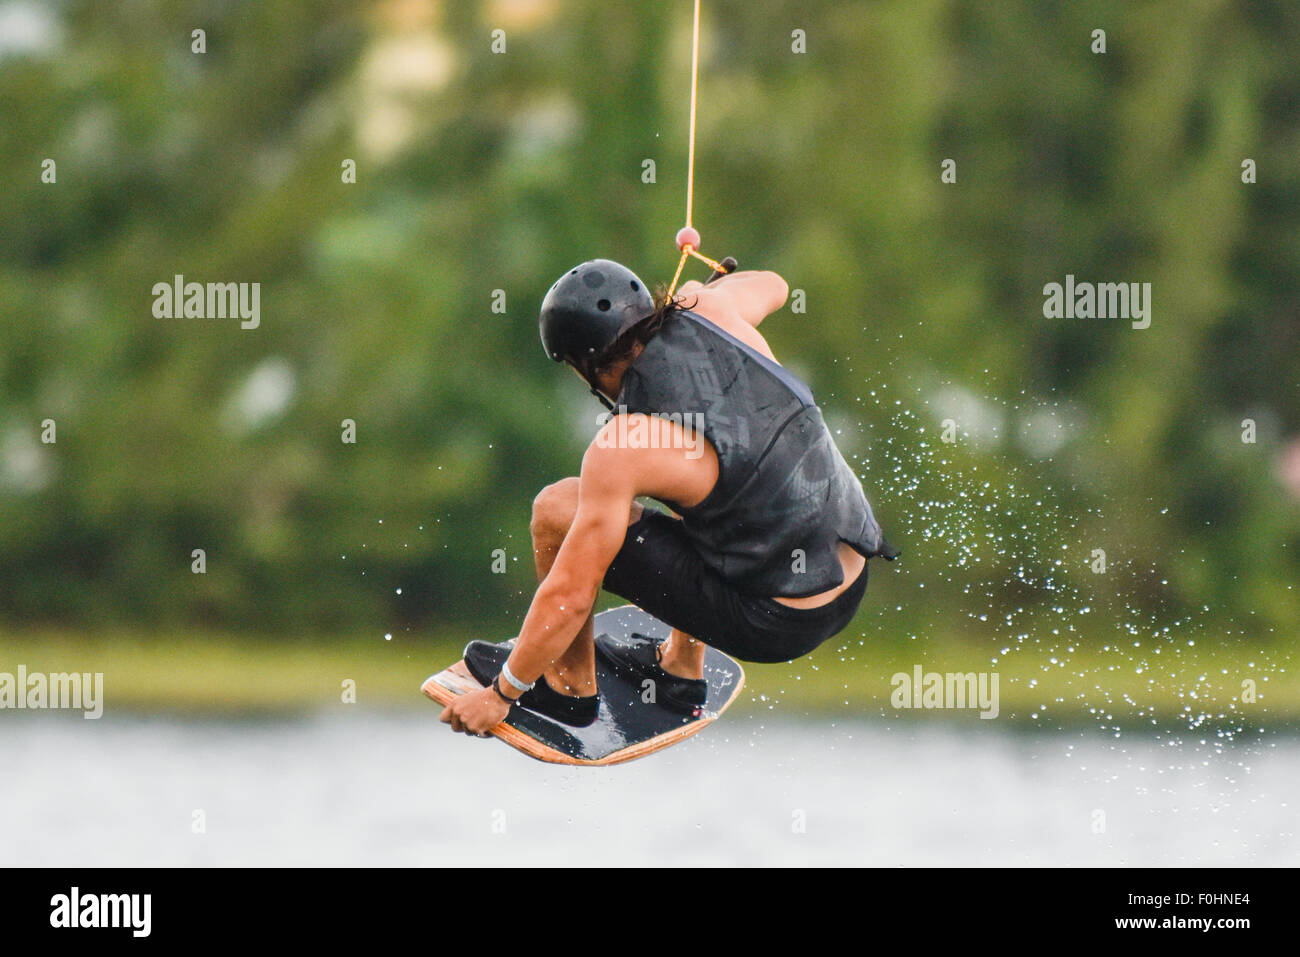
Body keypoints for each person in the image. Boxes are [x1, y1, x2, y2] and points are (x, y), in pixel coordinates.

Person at [441, 259, 895, 735]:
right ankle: (679, 671)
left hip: (775, 620)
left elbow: (573, 594)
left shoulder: (623, 447)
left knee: (557, 509)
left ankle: (567, 689)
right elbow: (775, 285)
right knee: (717, 501)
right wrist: (709, 284)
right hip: (851, 577)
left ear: (584, 367)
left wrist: (501, 694)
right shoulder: (711, 307)